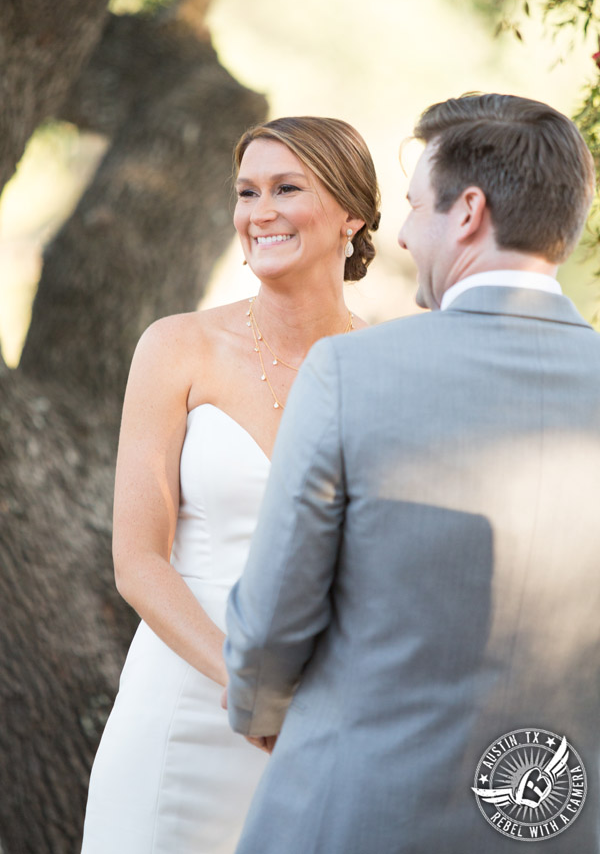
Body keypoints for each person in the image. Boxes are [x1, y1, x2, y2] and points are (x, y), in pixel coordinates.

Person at [224, 94, 600, 853]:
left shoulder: (350, 371)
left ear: (467, 212)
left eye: (414, 208)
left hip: (356, 810)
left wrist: (259, 708)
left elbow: (273, 616)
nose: (399, 233)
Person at [80, 115, 381, 854]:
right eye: (247, 193)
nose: (260, 213)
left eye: (286, 189)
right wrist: (250, 690)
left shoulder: (387, 365)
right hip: (182, 701)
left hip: (319, 723)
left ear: (354, 214)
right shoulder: (176, 346)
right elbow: (137, 560)